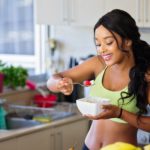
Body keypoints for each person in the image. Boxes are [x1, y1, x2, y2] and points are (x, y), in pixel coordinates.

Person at [47, 9, 150, 150]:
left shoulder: (144, 75)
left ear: (127, 42)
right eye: (98, 44)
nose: (102, 50)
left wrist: (120, 113)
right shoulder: (98, 64)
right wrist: (60, 84)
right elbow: (52, 80)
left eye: (108, 42)